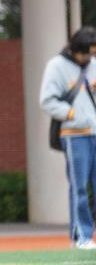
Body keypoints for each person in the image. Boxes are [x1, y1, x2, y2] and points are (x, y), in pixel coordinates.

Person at [39, 26, 96, 250]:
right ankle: (81, 236)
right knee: (79, 187)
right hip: (74, 135)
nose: (90, 58)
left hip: (95, 132)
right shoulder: (56, 67)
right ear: (75, 49)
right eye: (87, 53)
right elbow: (47, 100)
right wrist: (72, 114)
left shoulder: (93, 65)